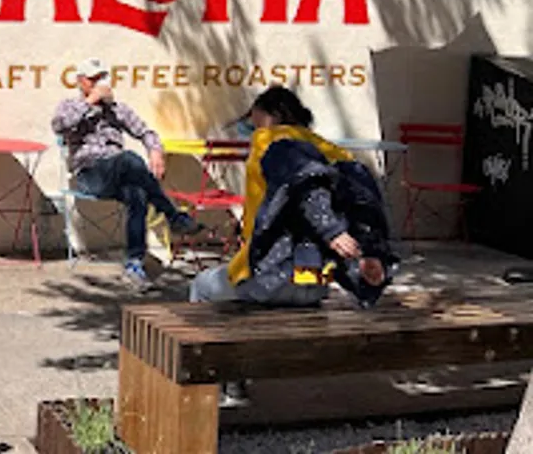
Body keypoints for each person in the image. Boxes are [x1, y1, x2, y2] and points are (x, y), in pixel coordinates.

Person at [190, 85, 396, 404]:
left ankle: (218, 388)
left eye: (254, 116)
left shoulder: (272, 140)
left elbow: (306, 183)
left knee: (204, 288)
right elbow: (362, 200)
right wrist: (368, 254)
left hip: (274, 278)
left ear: (271, 114)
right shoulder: (331, 150)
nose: (251, 124)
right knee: (242, 294)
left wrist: (330, 231)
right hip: (316, 283)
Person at [52, 58, 198, 285]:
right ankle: (172, 215)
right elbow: (59, 125)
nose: (101, 82)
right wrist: (90, 102)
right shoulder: (70, 106)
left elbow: (145, 132)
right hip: (90, 173)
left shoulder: (118, 110)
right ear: (82, 82)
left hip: (119, 173)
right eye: (94, 79)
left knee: (137, 194)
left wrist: (155, 150)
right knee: (129, 159)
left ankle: (134, 264)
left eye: (102, 77)